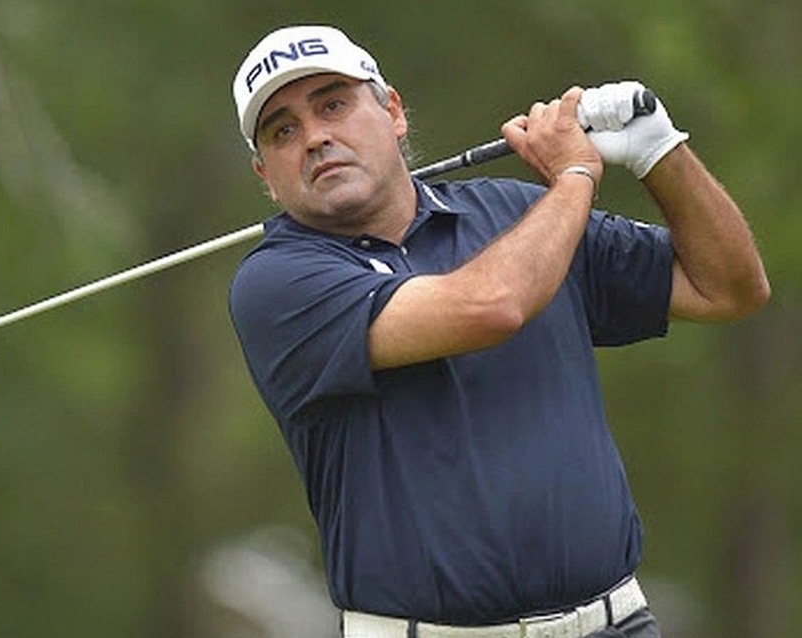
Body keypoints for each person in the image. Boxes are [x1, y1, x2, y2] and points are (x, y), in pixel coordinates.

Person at [227, 24, 770, 638]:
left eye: (333, 105)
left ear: (393, 112)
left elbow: (728, 287)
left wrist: (660, 153)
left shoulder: (515, 213)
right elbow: (490, 306)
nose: (316, 137)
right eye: (283, 131)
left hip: (615, 624)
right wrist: (575, 175)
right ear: (265, 174)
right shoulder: (275, 284)